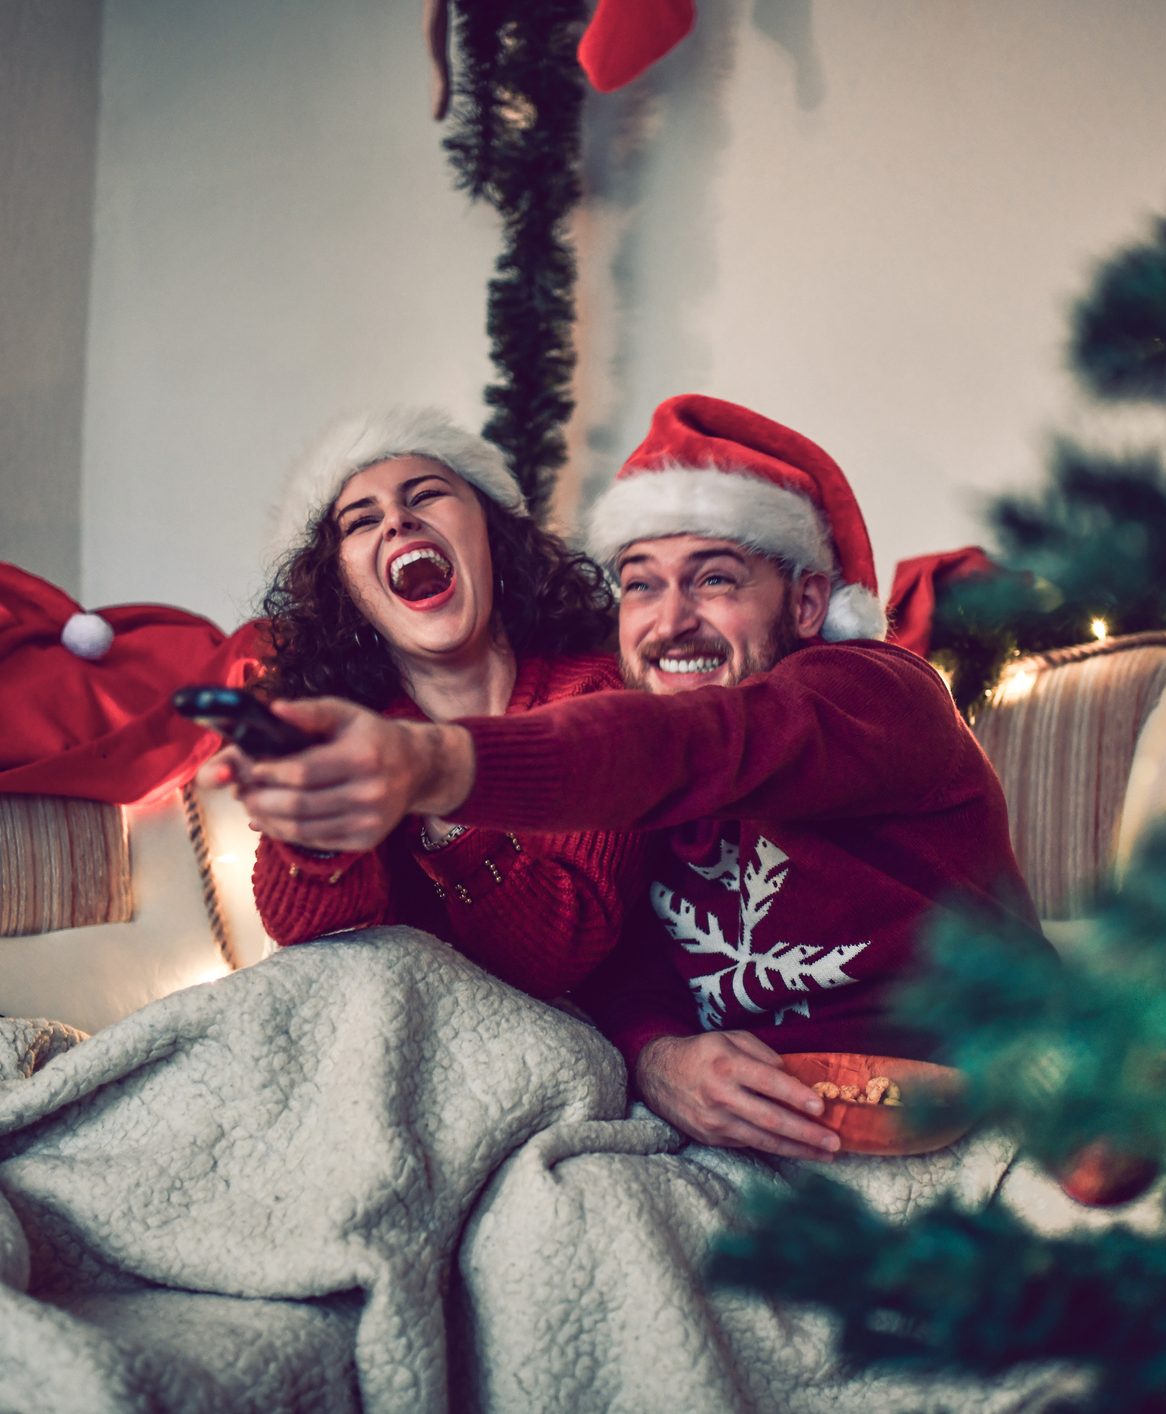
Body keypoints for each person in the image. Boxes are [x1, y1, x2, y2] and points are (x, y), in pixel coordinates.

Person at [227, 395, 1045, 1161]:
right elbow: (628, 959)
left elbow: (695, 746)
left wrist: (437, 766)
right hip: (758, 1115)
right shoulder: (640, 749)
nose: (670, 619)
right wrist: (658, 1056)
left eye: (715, 578)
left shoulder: (870, 691)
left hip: (968, 1062)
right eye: (642, 584)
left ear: (805, 605)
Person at [203, 407, 647, 1002]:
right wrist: (312, 827)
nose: (396, 521)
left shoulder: (596, 694)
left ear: (490, 532)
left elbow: (558, 957)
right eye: (361, 522)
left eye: (427, 495)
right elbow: (309, 941)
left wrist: (433, 790)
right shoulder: (354, 729)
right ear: (346, 589)